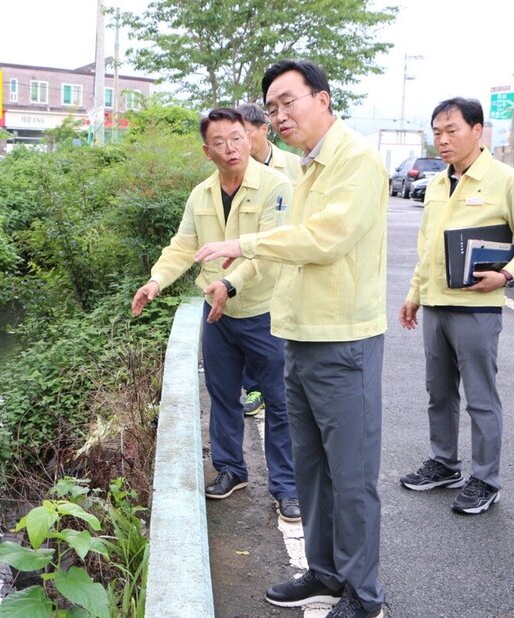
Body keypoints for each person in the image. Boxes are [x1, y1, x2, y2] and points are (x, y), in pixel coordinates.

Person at [195, 59, 388, 618]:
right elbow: (290, 239)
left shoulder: (356, 161)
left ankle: (364, 593)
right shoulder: (308, 168)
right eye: (271, 108)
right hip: (299, 336)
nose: (278, 116)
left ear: (323, 99)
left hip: (343, 340)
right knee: (312, 469)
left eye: (288, 102)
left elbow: (323, 240)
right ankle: (326, 573)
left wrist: (244, 245)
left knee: (351, 477)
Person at [131, 107, 300, 521]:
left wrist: (230, 284)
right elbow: (182, 246)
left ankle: (287, 487)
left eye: (237, 138)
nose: (231, 148)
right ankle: (230, 469)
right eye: (220, 142)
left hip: (265, 311)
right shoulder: (201, 194)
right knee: (223, 397)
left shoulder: (277, 187)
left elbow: (269, 250)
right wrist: (156, 281)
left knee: (280, 402)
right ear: (208, 151)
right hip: (217, 315)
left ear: (250, 138)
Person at [398, 97, 514, 515]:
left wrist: (505, 275)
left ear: (477, 131)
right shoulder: (436, 184)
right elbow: (426, 249)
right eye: (437, 132)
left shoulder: (508, 181)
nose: (443, 140)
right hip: (435, 305)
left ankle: (486, 479)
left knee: (481, 398)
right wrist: (414, 295)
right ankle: (445, 464)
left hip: (477, 309)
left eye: (452, 131)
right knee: (439, 393)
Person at [235, 103, 304, 418]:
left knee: (281, 338)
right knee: (254, 330)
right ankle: (255, 389)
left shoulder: (294, 166)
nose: (241, 142)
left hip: (288, 262)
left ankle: (282, 391)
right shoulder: (236, 169)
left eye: (246, 133)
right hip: (250, 262)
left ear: (264, 129)